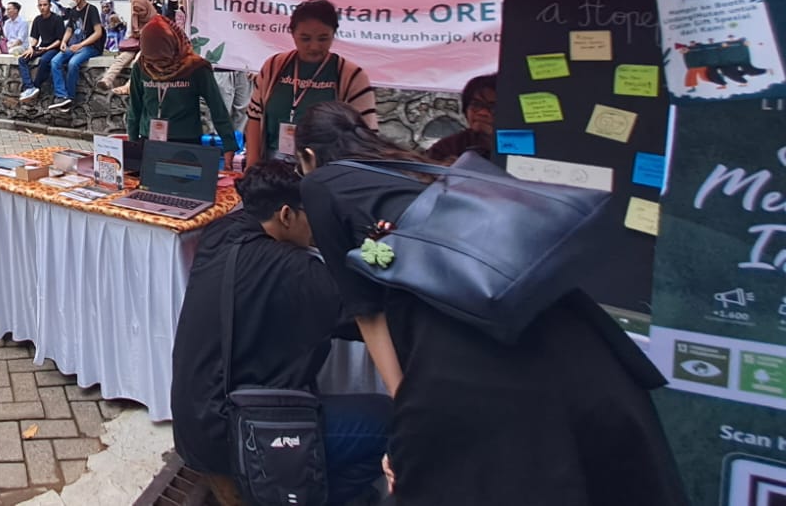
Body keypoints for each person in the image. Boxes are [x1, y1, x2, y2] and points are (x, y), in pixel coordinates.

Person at [295, 102, 688, 506]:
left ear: (307, 156)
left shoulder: (320, 183)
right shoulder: (414, 169)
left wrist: (404, 409)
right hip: (562, 324)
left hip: (464, 348)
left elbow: (367, 312)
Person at [172, 161, 389, 505]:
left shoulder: (220, 232)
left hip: (193, 420)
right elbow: (366, 318)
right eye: (312, 217)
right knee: (389, 422)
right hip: (235, 434)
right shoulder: (295, 270)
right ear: (286, 215)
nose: (318, 227)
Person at [243, 0, 376, 165]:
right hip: (273, 166)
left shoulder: (352, 76)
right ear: (292, 33)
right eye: (305, 38)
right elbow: (254, 118)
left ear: (334, 34)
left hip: (325, 169)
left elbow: (365, 135)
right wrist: (252, 165)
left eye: (323, 38)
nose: (314, 47)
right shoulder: (273, 67)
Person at [125, 17, 239, 167]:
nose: (157, 67)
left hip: (185, 142)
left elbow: (217, 108)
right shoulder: (141, 67)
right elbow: (135, 107)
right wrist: (133, 143)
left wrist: (229, 145)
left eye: (162, 60)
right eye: (152, 61)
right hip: (149, 140)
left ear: (173, 47)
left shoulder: (196, 67)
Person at [49, 0, 103, 111]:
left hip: (90, 46)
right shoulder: (73, 11)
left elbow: (98, 32)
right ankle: (62, 95)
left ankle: (70, 96)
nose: (71, 0)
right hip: (75, 45)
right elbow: (69, 29)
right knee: (55, 61)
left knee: (73, 63)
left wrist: (81, 45)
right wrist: (64, 42)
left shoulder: (91, 10)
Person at [426, 74, 497, 162]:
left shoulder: (513, 147)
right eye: (476, 104)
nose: (482, 113)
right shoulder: (447, 147)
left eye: (493, 107)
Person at [98, 0, 158, 95]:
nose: (138, 13)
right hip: (135, 44)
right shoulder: (134, 18)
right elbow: (128, 34)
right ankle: (106, 80)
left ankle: (129, 86)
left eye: (141, 10)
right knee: (121, 59)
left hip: (149, 46)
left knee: (138, 61)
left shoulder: (156, 19)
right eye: (136, 10)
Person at [17, 0, 64, 103]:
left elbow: (60, 40)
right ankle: (30, 87)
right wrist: (31, 48)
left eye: (45, 5)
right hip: (42, 46)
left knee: (44, 61)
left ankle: (36, 86)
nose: (42, 7)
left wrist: (47, 48)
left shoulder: (57, 19)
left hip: (54, 48)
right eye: (40, 5)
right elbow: (35, 38)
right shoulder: (37, 20)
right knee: (22, 59)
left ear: (50, 6)